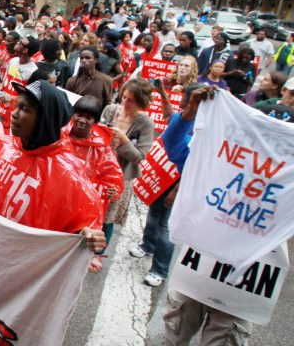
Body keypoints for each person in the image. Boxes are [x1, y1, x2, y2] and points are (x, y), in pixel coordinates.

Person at [0, 80, 105, 251]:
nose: (14, 114)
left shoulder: (69, 174)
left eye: (25, 109)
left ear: (45, 119)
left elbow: (85, 223)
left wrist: (90, 236)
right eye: (17, 106)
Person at [159, 84, 253, 344]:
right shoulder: (208, 158)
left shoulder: (281, 180)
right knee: (175, 334)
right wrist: (190, 112)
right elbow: (173, 143)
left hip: (243, 278)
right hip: (198, 269)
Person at [129, 83, 205, 287]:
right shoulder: (185, 120)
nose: (178, 100)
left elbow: (193, 164)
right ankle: (148, 245)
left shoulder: (203, 129)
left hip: (178, 186)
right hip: (163, 181)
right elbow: (171, 119)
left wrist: (176, 189)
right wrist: (162, 92)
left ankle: (159, 270)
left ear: (193, 102)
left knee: (166, 226)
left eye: (183, 98)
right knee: (154, 214)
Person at [62, 95, 124, 272]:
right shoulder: (59, 135)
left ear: (95, 122)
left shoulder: (101, 149)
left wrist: (114, 190)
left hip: (82, 209)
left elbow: (113, 175)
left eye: (88, 117)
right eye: (79, 115)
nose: (82, 120)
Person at [100, 78, 155, 260]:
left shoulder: (145, 123)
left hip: (120, 175)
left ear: (140, 102)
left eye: (130, 100)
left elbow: (139, 156)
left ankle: (99, 253)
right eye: (123, 97)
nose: (125, 102)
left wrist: (124, 140)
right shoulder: (110, 110)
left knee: (108, 217)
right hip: (99, 169)